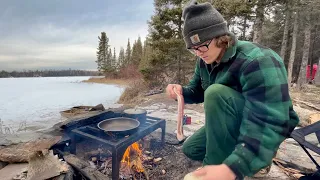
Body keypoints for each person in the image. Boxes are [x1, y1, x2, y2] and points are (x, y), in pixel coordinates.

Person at [165, 1, 300, 180]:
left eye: (203, 45)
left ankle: (252, 159)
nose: (199, 53)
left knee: (215, 93)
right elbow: (197, 91)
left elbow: (270, 121)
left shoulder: (258, 61)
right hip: (232, 120)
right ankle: (234, 150)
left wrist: (232, 168)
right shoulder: (204, 59)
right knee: (191, 149)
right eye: (193, 49)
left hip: (262, 121)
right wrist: (180, 91)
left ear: (220, 37)